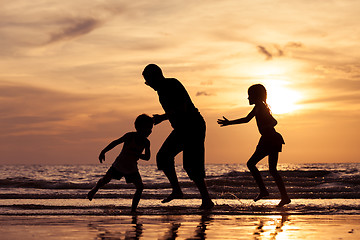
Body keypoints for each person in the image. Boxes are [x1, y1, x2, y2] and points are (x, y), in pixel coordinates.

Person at [142, 64, 214, 209]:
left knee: (191, 165)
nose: (148, 85)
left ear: (156, 76)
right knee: (163, 157)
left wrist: (162, 118)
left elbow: (182, 108)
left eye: (148, 81)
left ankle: (206, 200)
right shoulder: (160, 91)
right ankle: (177, 190)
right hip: (182, 129)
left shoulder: (172, 84)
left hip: (193, 126)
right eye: (146, 82)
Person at [217, 84, 291, 207]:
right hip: (272, 138)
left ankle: (264, 191)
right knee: (272, 170)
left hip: (269, 139)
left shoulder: (260, 107)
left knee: (251, 164)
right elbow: (247, 119)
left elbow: (274, 121)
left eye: (249, 95)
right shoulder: (259, 107)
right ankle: (284, 197)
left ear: (255, 96)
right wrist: (229, 123)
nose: (248, 98)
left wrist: (267, 125)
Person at [87, 114, 153, 212]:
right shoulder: (130, 136)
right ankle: (94, 189)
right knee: (105, 180)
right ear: (139, 128)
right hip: (119, 165)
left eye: (151, 129)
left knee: (140, 187)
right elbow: (115, 142)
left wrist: (138, 155)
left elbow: (147, 157)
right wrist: (103, 151)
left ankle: (133, 210)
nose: (150, 131)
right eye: (147, 128)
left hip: (132, 168)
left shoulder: (146, 142)